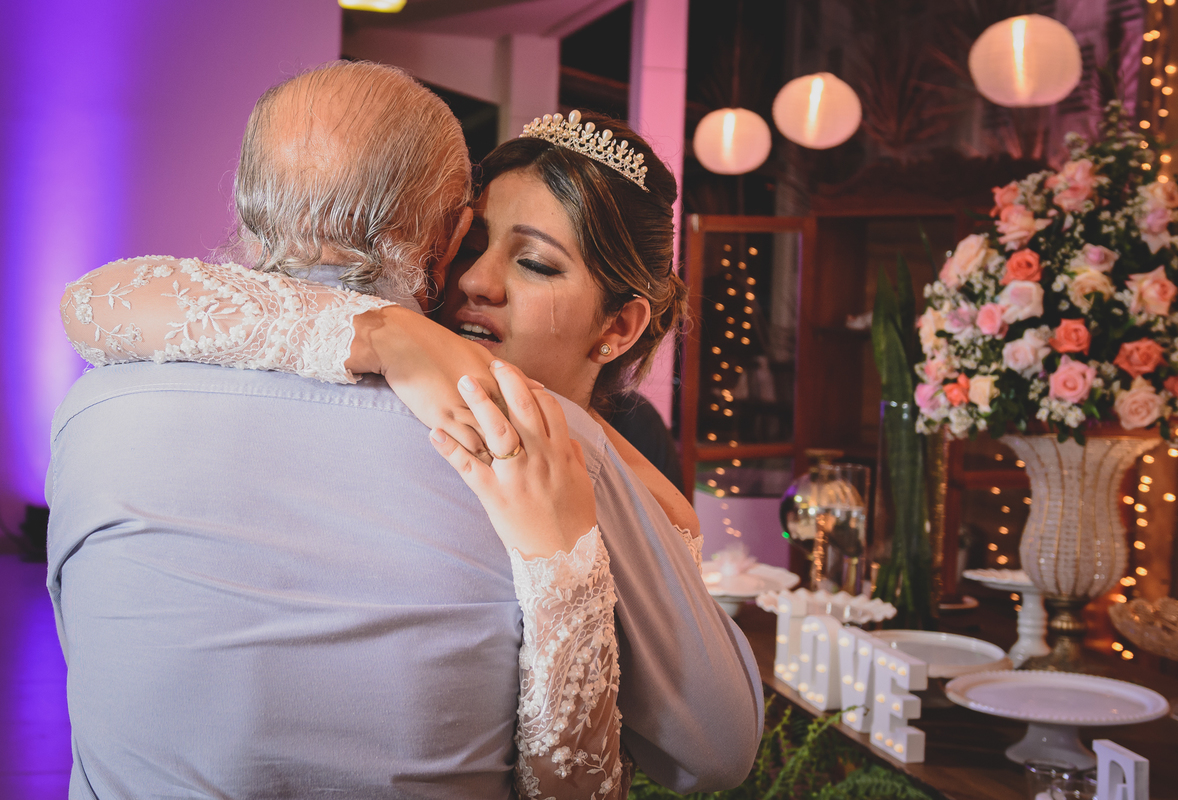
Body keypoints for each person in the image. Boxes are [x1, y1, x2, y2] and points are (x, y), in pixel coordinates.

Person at [50, 61, 762, 799]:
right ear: (446, 237)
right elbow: (712, 752)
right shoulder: (543, 442)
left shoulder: (95, 402)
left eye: (534, 262)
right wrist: (384, 333)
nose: (476, 281)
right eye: (476, 241)